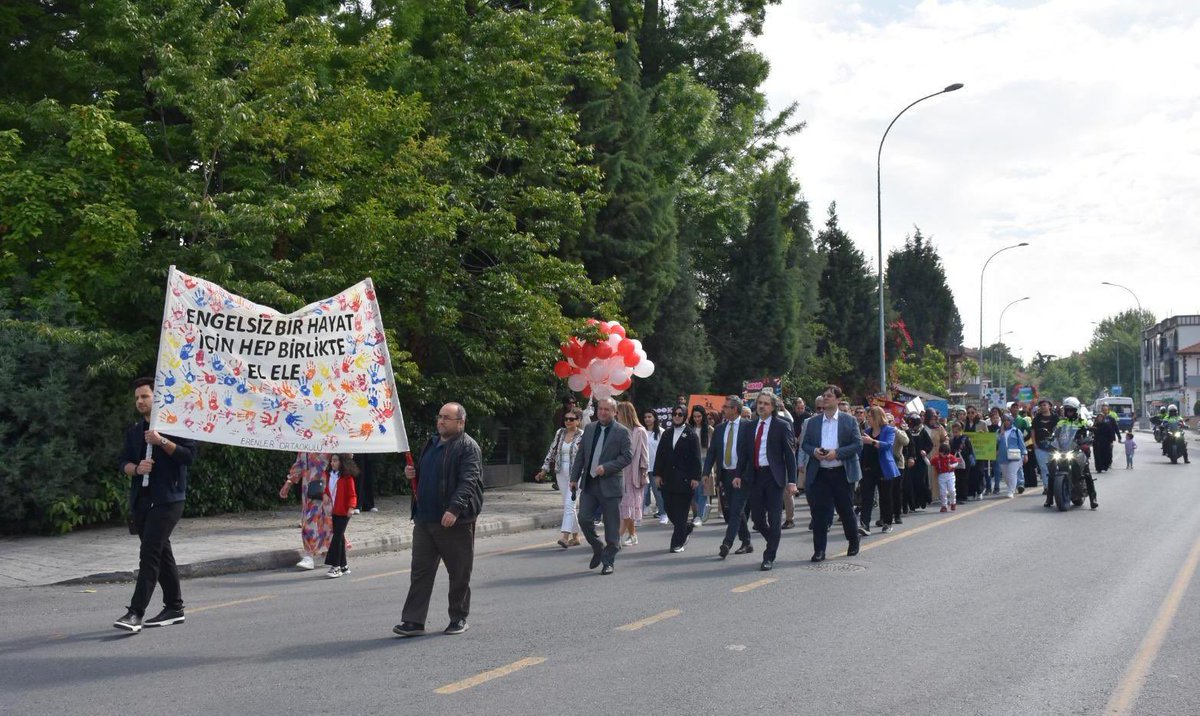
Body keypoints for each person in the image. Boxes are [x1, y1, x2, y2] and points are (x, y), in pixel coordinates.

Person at [113, 377, 198, 633]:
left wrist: (161, 441)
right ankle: (174, 607)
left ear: (156, 397)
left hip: (169, 499)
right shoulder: (134, 431)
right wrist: (137, 468)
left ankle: (135, 612)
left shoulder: (176, 425)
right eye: (137, 398)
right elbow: (122, 463)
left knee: (149, 552)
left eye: (145, 396)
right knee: (161, 553)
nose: (140, 401)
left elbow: (188, 456)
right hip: (142, 500)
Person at [394, 403, 483, 638]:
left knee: (459, 572)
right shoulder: (431, 443)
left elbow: (469, 481)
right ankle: (413, 621)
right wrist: (412, 473)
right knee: (420, 572)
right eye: (440, 416)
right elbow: (428, 474)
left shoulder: (468, 447)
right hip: (425, 518)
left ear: (460, 422)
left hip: (454, 521)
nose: (441, 421)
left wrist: (454, 509)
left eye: (447, 418)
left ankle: (458, 617)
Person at [569, 397, 633, 575]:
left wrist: (607, 467)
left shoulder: (622, 432)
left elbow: (627, 457)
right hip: (590, 483)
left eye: (607, 409)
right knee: (584, 518)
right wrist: (574, 478)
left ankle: (608, 561)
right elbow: (581, 455)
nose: (603, 412)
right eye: (600, 409)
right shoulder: (590, 429)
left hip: (610, 484)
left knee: (611, 526)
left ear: (615, 412)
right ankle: (597, 546)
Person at [800, 385, 862, 563]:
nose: (825, 398)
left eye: (829, 396)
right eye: (824, 395)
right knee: (819, 513)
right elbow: (805, 444)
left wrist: (837, 453)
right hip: (820, 473)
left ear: (838, 400)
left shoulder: (849, 420)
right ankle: (819, 550)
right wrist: (814, 451)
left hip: (841, 472)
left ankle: (853, 541)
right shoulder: (813, 422)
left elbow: (857, 444)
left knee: (845, 509)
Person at [737, 392, 798, 571]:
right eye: (759, 403)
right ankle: (773, 539)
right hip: (755, 476)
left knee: (774, 517)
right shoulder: (750, 426)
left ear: (773, 407)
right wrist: (738, 474)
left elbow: (789, 455)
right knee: (757, 518)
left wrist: (792, 481)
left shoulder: (782, 425)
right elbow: (744, 453)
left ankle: (769, 556)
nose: (762, 406)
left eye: (766, 403)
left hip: (774, 477)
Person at [703, 396, 753, 559]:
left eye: (726, 406)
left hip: (742, 475)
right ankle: (746, 541)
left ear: (735, 409)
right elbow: (712, 452)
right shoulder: (719, 428)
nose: (723, 409)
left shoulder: (748, 426)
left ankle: (727, 543)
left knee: (736, 509)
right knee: (735, 509)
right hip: (726, 474)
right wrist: (705, 472)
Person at [534, 406, 583, 549]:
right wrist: (544, 470)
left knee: (570, 504)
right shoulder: (560, 433)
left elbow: (585, 456)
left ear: (579, 421)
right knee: (568, 505)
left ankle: (565, 537)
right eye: (566, 419)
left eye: (571, 419)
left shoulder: (583, 435)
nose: (568, 421)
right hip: (560, 472)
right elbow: (552, 451)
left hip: (576, 474)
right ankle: (576, 537)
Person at [654, 406, 702, 553]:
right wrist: (657, 474)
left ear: (685, 416)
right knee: (669, 508)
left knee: (681, 512)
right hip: (668, 478)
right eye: (674, 414)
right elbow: (660, 455)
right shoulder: (667, 434)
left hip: (685, 479)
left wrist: (695, 477)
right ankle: (685, 528)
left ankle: (677, 543)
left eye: (680, 414)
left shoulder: (691, 435)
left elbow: (696, 458)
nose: (676, 416)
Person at [280, 452, 332, 570]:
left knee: (325, 519)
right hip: (309, 489)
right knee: (311, 518)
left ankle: (320, 552)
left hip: (326, 487)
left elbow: (342, 458)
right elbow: (299, 464)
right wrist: (289, 482)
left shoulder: (329, 443)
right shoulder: (304, 446)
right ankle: (312, 554)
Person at [1044, 397, 1098, 510]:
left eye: (1071, 410)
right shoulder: (1061, 422)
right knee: (1052, 471)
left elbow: (1088, 431)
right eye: (1067, 410)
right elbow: (1055, 433)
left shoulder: (1081, 422)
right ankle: (1049, 498)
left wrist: (1088, 436)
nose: (1069, 412)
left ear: (1076, 410)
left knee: (1086, 472)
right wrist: (1051, 438)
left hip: (1077, 449)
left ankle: (1093, 498)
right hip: (1063, 449)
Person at [859, 407, 901, 535]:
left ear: (877, 417)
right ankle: (865, 525)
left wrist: (871, 441)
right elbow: (862, 450)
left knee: (885, 497)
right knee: (866, 498)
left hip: (884, 469)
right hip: (868, 469)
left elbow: (887, 445)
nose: (868, 419)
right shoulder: (867, 431)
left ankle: (887, 522)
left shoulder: (889, 430)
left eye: (869, 417)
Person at [616, 402, 649, 547]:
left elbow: (644, 454)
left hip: (634, 473)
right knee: (625, 507)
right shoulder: (618, 430)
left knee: (628, 504)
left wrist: (644, 471)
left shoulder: (640, 431)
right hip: (620, 472)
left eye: (618, 413)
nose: (616, 415)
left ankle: (616, 537)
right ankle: (633, 535)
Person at [323, 453, 359, 578]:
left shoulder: (347, 478)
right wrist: (325, 494)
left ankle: (335, 566)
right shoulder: (329, 475)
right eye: (331, 461)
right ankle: (343, 566)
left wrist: (351, 507)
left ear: (341, 462)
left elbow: (352, 495)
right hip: (335, 511)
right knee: (340, 537)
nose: (332, 463)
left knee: (337, 538)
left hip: (344, 512)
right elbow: (328, 489)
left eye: (335, 460)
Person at [901, 413, 932, 515]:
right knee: (910, 483)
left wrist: (925, 451)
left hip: (920, 462)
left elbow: (930, 444)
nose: (914, 427)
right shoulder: (906, 431)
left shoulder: (922, 431)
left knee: (921, 482)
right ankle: (912, 504)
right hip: (910, 461)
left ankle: (922, 500)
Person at [688, 406, 714, 526]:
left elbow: (713, 449)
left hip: (705, 461)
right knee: (693, 490)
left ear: (703, 417)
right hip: (692, 462)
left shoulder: (709, 430)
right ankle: (697, 513)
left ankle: (699, 515)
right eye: (694, 417)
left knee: (702, 490)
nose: (697, 419)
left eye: (699, 416)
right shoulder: (689, 429)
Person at [642, 410, 667, 524]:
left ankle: (663, 513)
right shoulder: (642, 431)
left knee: (658, 493)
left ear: (654, 418)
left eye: (649, 417)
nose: (647, 419)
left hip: (656, 467)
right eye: (645, 417)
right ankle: (640, 514)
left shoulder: (661, 432)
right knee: (643, 493)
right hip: (643, 467)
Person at [995, 414, 1027, 498]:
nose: (1006, 422)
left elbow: (1022, 444)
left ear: (1011, 421)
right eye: (1004, 420)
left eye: (1008, 420)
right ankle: (1011, 487)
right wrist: (1001, 434)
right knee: (1005, 476)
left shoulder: (1016, 431)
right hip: (1002, 456)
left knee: (1012, 473)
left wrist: (1025, 454)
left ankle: (1011, 491)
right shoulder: (998, 432)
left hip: (1015, 456)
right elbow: (995, 442)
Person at [1032, 399, 1058, 492]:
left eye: (1044, 405)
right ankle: (1047, 487)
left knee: (1055, 467)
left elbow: (1059, 430)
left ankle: (1057, 486)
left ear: (1049, 406)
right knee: (1044, 467)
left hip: (1054, 446)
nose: (1043, 407)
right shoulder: (1037, 418)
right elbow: (1033, 431)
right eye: (1041, 405)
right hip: (1040, 446)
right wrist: (1034, 443)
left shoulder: (1055, 417)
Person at [948, 422, 975, 508]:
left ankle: (963, 496)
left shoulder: (965, 439)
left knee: (964, 479)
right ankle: (957, 496)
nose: (955, 433)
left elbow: (970, 450)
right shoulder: (952, 440)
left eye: (956, 432)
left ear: (961, 431)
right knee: (956, 478)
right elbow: (951, 450)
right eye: (953, 432)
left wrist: (962, 453)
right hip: (955, 461)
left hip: (965, 461)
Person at [930, 443, 962, 512]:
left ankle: (953, 502)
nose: (946, 455)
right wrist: (924, 457)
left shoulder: (951, 457)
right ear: (940, 452)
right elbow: (929, 463)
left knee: (952, 490)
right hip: (941, 476)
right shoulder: (936, 458)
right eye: (944, 454)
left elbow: (956, 463)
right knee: (943, 492)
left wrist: (952, 466)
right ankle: (944, 505)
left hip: (950, 475)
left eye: (947, 454)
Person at [1092, 403, 1119, 473]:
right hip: (1097, 442)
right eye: (1099, 418)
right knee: (1097, 456)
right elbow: (1092, 430)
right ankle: (1099, 468)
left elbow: (1113, 430)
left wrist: (1113, 440)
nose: (1100, 418)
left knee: (1107, 455)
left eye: (1106, 410)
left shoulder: (1109, 422)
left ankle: (1106, 464)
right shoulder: (1096, 424)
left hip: (1106, 442)